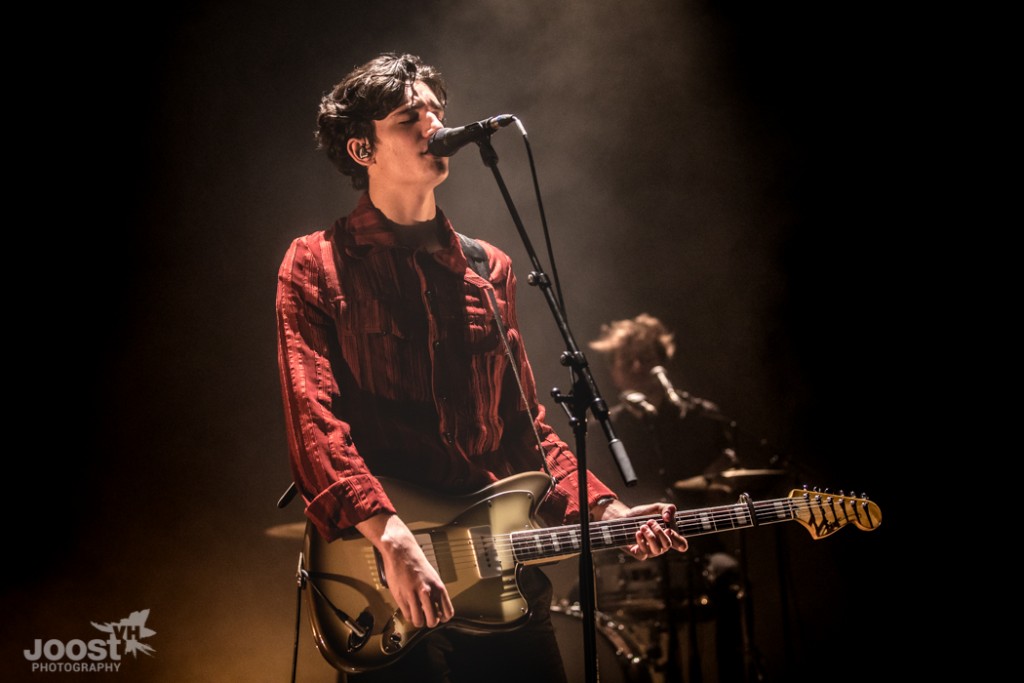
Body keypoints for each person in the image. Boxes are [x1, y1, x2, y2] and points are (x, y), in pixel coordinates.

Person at [275, 54, 687, 683]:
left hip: (499, 570)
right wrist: (392, 538)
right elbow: (315, 422)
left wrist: (605, 513)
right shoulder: (318, 264)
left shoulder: (487, 269)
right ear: (363, 148)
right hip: (386, 566)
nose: (435, 125)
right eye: (410, 117)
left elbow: (527, 431)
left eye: (437, 111)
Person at [588, 314, 746, 683]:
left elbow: (728, 480)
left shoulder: (704, 418)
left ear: (664, 361)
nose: (637, 366)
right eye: (626, 359)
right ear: (613, 371)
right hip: (625, 551)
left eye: (645, 356)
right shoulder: (602, 431)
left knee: (728, 575)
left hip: (699, 546)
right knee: (582, 592)